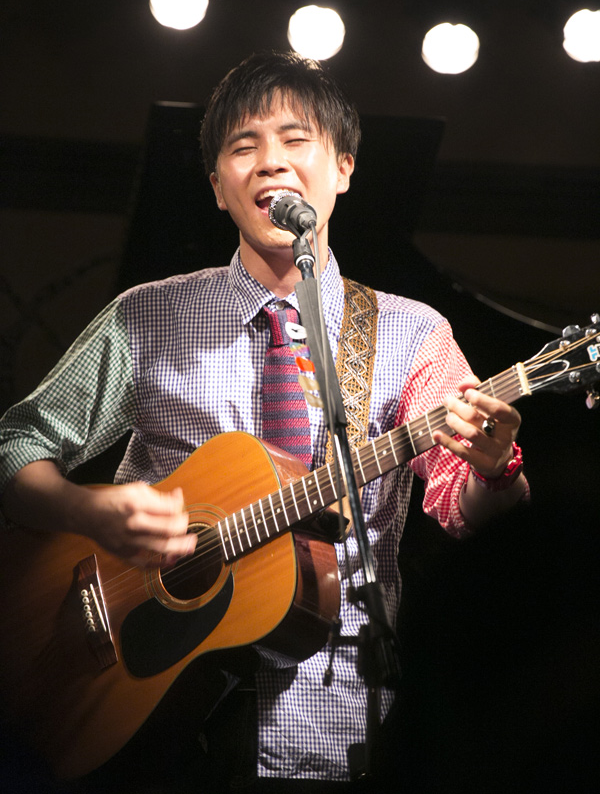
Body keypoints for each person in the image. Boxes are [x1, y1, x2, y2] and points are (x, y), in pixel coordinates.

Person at [0, 51, 528, 792]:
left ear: (343, 167)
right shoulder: (148, 317)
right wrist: (88, 511)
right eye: (243, 147)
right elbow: (15, 444)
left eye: (295, 139)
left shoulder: (412, 334)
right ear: (219, 187)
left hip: (337, 715)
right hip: (151, 707)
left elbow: (467, 512)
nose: (270, 162)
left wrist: (492, 469)